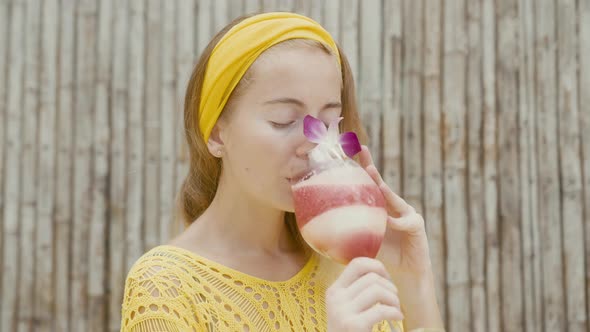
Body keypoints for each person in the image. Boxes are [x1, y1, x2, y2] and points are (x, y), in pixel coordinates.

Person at [120, 12, 445, 332]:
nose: (312, 145)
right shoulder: (166, 289)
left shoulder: (346, 264)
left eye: (329, 121)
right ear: (218, 134)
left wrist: (414, 281)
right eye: (283, 120)